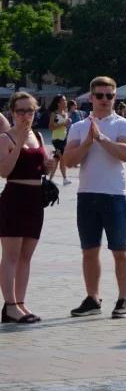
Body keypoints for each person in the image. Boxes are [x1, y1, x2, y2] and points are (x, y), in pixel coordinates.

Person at [62, 76, 126, 319]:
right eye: (100, 95)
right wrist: (87, 142)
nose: (105, 100)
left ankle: (123, 299)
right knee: (89, 250)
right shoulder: (78, 127)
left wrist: (103, 139)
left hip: (115, 195)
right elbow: (69, 161)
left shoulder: (125, 125)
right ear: (91, 97)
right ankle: (92, 298)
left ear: (115, 98)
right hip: (87, 195)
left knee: (120, 249)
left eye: (110, 95)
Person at [0, 92, 56, 324]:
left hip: (35, 199)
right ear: (12, 112)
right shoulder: (6, 138)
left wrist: (48, 165)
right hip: (14, 197)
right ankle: (9, 305)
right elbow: (4, 171)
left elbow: (39, 169)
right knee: (11, 256)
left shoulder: (39, 137)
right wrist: (20, 142)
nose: (25, 116)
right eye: (21, 111)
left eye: (30, 111)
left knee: (26, 256)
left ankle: (21, 303)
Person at [48, 94, 71, 186]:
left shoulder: (66, 113)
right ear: (58, 103)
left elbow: (65, 126)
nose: (65, 102)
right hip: (57, 139)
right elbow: (50, 127)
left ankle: (50, 179)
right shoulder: (55, 114)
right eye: (63, 100)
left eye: (65, 100)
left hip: (64, 138)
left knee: (57, 159)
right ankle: (65, 178)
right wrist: (64, 123)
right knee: (63, 158)